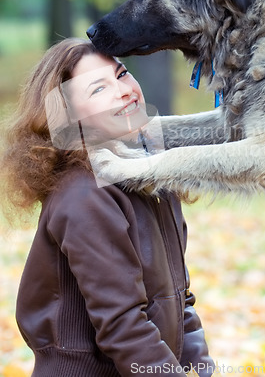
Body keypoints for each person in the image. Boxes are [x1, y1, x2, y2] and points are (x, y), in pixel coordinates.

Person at [0, 38, 214, 377]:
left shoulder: (149, 175)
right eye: (98, 89)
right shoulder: (84, 194)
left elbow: (179, 300)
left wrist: (201, 370)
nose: (123, 90)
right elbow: (122, 327)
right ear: (66, 115)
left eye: (122, 74)